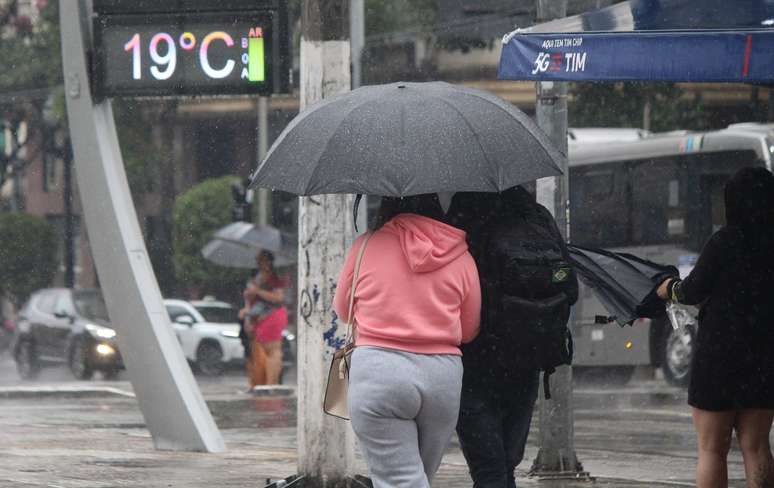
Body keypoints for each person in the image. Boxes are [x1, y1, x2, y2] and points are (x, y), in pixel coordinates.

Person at [333, 193, 481, 488]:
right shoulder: (462, 256)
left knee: (399, 480)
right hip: (442, 377)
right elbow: (468, 330)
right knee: (419, 477)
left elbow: (343, 310)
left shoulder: (365, 246)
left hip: (379, 371)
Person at [449, 186, 578, 488]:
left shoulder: (463, 213)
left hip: (477, 360)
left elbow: (455, 288)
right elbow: (569, 289)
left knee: (489, 469)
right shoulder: (536, 216)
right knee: (506, 465)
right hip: (528, 355)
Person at [656, 166, 774, 488]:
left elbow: (692, 291)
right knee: (758, 445)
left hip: (720, 355)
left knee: (712, 449)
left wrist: (669, 288)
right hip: (763, 355)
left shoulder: (724, 241)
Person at [239, 250, 289, 386]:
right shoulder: (256, 277)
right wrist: (247, 311)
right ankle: (262, 382)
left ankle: (271, 383)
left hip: (271, 316)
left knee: (273, 350)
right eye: (259, 260)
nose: (261, 264)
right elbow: (250, 299)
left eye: (264, 260)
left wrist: (258, 292)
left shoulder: (274, 278)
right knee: (258, 352)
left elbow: (279, 298)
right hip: (256, 318)